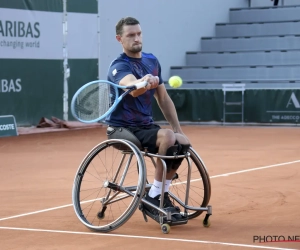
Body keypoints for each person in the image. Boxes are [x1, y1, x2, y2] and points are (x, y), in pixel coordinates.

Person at [105, 16, 190, 221]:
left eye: (139, 34)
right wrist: (144, 80)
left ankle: (158, 194)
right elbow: (132, 88)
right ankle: (156, 196)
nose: (136, 38)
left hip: (144, 126)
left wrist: (178, 129)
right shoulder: (118, 66)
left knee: (182, 141)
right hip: (121, 128)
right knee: (167, 137)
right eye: (131, 35)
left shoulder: (151, 61)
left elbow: (163, 98)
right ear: (119, 39)